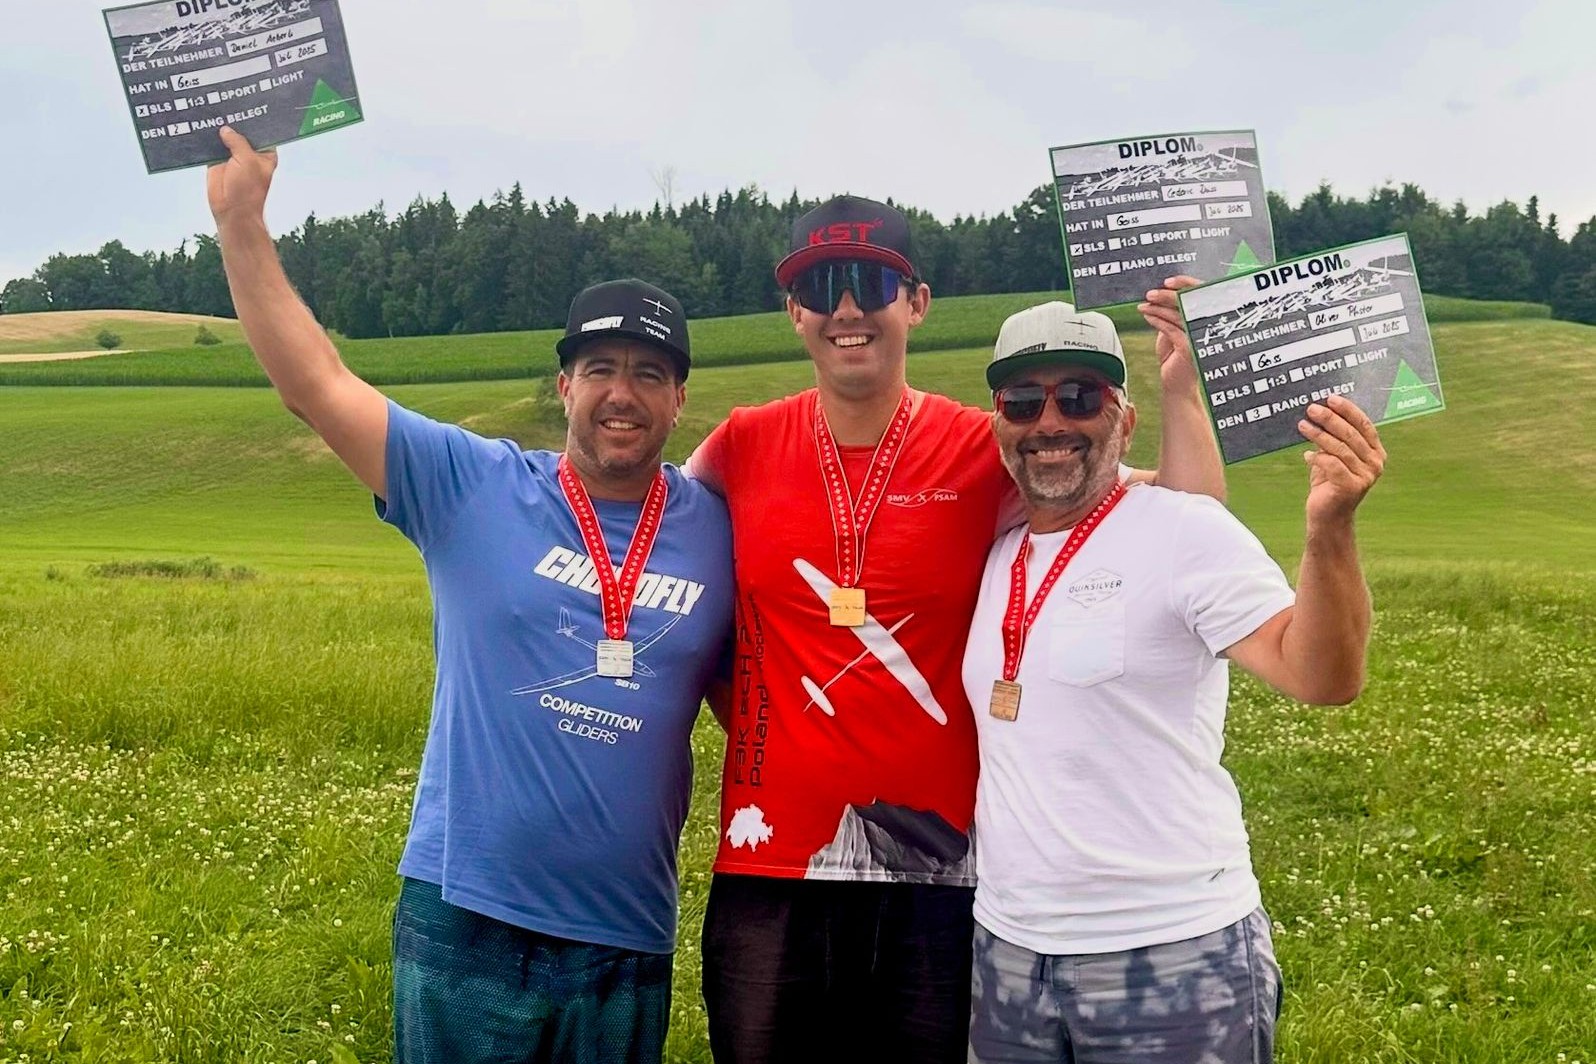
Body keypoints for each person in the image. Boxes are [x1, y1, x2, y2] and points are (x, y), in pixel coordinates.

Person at [206, 127, 733, 1064]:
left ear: (680, 399)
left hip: (626, 936)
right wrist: (240, 222)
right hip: (468, 921)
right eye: (601, 370)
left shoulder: (719, 527)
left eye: (650, 374)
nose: (623, 394)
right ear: (564, 384)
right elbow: (316, 385)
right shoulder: (470, 485)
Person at [686, 195, 1226, 1063]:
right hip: (774, 868)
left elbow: (1183, 520)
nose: (848, 308)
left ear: (918, 303)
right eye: (822, 287)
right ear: (794, 312)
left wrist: (1179, 388)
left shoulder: (987, 444)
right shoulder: (742, 444)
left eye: (873, 284)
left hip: (943, 874)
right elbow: (656, 544)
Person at [963, 300, 1383, 1062]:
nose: (1049, 422)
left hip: (1174, 950)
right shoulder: (996, 548)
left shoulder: (1182, 529)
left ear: (1124, 422)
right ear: (999, 424)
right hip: (1009, 954)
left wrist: (1330, 528)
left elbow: (1322, 676)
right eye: (1023, 401)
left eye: (1080, 397)